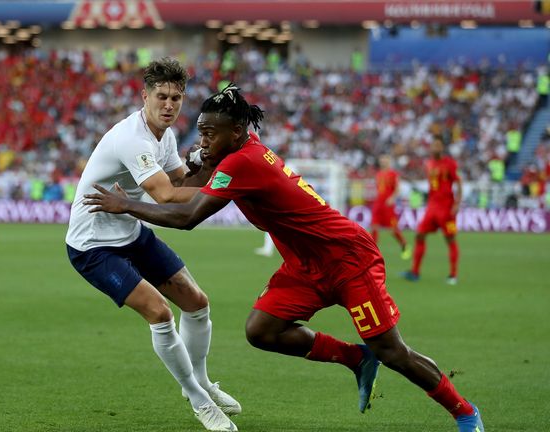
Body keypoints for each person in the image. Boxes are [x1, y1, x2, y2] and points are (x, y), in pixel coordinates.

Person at [84, 84, 484, 432]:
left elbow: (188, 216)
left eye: (209, 134)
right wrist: (200, 163)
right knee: (262, 330)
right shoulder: (239, 153)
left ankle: (465, 412)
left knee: (393, 351)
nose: (202, 141)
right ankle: (354, 358)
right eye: (201, 132)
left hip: (347, 260)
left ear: (237, 131)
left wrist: (126, 205)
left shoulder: (244, 162)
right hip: (306, 265)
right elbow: (196, 185)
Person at [64, 58, 240, 432]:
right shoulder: (133, 138)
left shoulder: (166, 136)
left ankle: (204, 382)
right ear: (144, 96)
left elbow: (182, 177)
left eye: (176, 98)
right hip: (92, 246)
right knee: (160, 313)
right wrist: (227, 185)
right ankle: (199, 400)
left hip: (130, 232)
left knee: (197, 303)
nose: (169, 105)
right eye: (161, 96)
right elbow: (165, 194)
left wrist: (214, 161)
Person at [402, 138, 463, 285]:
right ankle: (415, 272)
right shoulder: (429, 164)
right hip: (432, 207)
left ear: (442, 147)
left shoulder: (449, 163)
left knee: (450, 240)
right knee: (420, 235)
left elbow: (459, 183)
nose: (435, 147)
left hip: (446, 208)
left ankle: (453, 275)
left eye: (438, 145)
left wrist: (457, 204)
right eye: (433, 145)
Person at [371, 154, 410, 260]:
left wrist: (392, 198)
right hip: (378, 204)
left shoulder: (393, 174)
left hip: (388, 205)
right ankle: (372, 253)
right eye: (382, 160)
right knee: (374, 228)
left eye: (385, 160)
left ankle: (404, 244)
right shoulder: (378, 174)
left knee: (393, 230)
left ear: (389, 162)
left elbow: (397, 189)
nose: (383, 162)